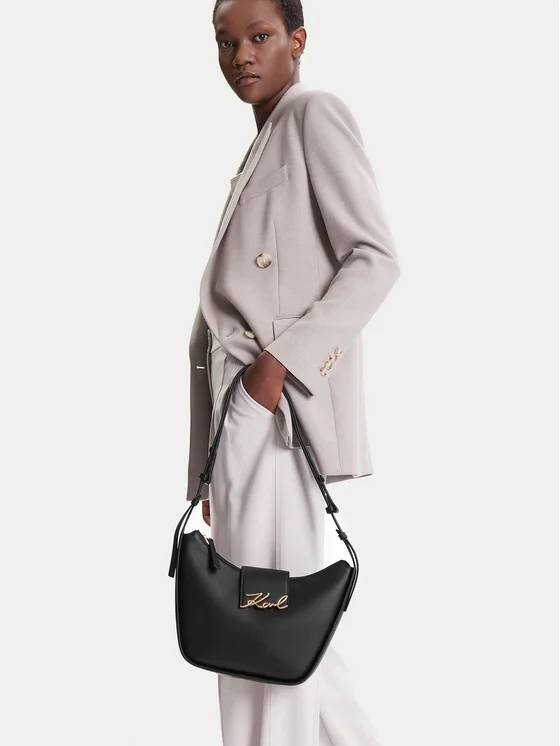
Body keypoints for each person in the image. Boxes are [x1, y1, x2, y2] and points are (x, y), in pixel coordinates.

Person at [186, 0, 400, 743]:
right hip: (243, 417)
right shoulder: (263, 141)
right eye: (226, 42)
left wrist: (278, 369)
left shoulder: (312, 113)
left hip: (271, 417)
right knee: (299, 646)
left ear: (297, 40)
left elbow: (375, 259)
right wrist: (207, 461)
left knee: (260, 644)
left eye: (259, 36)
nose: (241, 55)